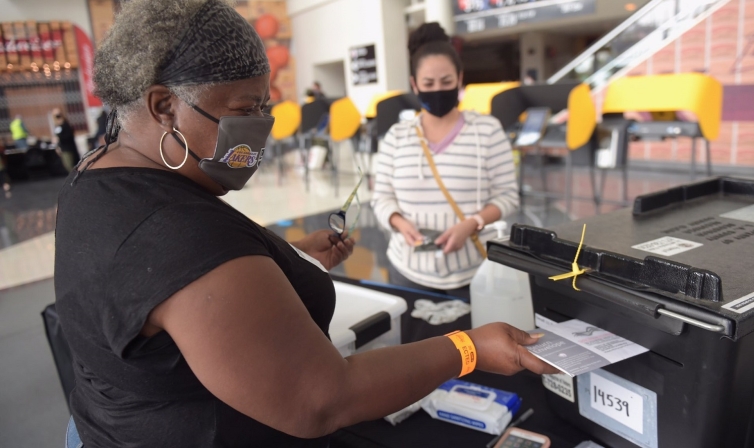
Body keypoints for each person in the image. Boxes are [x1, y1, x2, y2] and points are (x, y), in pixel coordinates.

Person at [55, 2, 555, 448]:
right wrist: (467, 348)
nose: (260, 128)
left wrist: (288, 257)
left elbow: (168, 292)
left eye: (264, 107)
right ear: (164, 107)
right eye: (244, 109)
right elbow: (321, 399)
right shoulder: (176, 233)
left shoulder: (95, 175)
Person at [371, 22, 520, 299]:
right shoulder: (397, 136)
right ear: (414, 84)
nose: (437, 90)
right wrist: (398, 222)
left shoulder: (487, 130)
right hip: (407, 271)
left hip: (473, 272)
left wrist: (472, 223)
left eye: (447, 82)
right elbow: (381, 197)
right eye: (428, 83)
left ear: (460, 79)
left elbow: (508, 196)